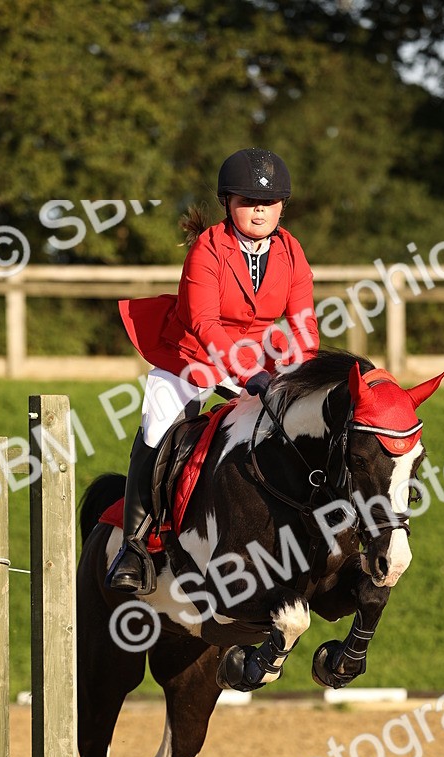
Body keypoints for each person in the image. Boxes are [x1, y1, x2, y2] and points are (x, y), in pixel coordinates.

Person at [108, 148, 320, 594]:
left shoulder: (291, 251)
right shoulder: (208, 248)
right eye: (247, 200)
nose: (259, 209)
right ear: (228, 202)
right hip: (191, 356)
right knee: (158, 427)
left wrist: (304, 370)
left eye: (268, 202)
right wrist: (250, 376)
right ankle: (135, 547)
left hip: (257, 357)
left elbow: (303, 322)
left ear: (283, 205)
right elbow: (204, 323)